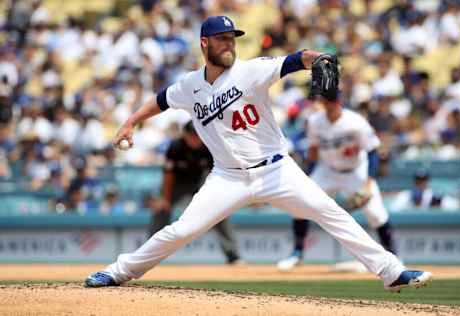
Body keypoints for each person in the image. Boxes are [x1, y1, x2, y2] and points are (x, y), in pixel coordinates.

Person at [85, 15, 432, 292]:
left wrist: (317, 58)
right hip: (228, 176)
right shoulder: (190, 85)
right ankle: (117, 272)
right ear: (204, 43)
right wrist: (130, 122)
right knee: (182, 231)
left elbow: (295, 60)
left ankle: (392, 271)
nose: (228, 44)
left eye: (232, 38)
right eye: (221, 38)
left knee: (331, 213)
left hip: (277, 171)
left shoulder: (250, 70)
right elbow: (162, 99)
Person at [277, 96, 396, 273]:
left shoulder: (356, 122)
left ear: (340, 102)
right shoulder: (315, 121)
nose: (330, 104)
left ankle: (393, 256)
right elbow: (313, 150)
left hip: (356, 171)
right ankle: (297, 254)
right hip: (327, 171)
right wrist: (307, 175)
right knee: (300, 204)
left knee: (376, 215)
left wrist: (368, 182)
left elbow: (372, 152)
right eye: (327, 101)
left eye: (333, 100)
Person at [147, 121, 242, 264]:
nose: (195, 138)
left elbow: (214, 173)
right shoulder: (175, 147)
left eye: (197, 135)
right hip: (177, 183)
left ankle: (232, 254)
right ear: (185, 135)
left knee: (219, 211)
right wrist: (164, 199)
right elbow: (168, 175)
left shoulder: (209, 145)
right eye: (191, 135)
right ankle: (148, 253)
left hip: (200, 182)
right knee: (161, 209)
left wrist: (216, 198)